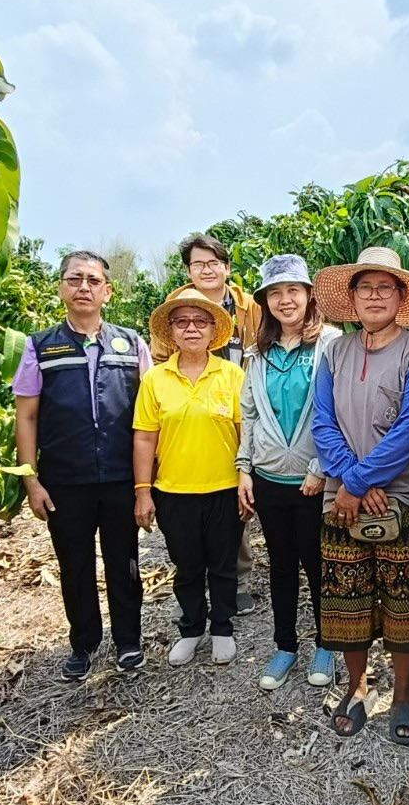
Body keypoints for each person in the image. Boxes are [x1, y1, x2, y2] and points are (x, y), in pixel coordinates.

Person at [311, 246, 409, 744]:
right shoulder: (334, 353)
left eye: (386, 287)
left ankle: (403, 693)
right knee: (346, 597)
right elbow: (322, 422)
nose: (375, 296)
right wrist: (348, 482)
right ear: (352, 297)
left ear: (401, 297)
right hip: (341, 499)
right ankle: (357, 684)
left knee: (405, 601)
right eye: (365, 287)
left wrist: (358, 483)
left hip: (399, 498)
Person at [13, 251, 150, 681]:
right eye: (75, 279)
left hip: (120, 477)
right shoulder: (40, 346)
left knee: (124, 562)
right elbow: (26, 416)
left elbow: (150, 413)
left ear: (108, 291)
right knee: (75, 566)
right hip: (65, 479)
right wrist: (31, 480)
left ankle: (128, 641)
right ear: (61, 288)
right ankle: (84, 643)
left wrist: (147, 482)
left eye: (93, 281)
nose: (84, 287)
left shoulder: (132, 343)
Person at [236, 255, 342, 691]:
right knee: (280, 566)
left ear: (309, 295)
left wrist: (322, 467)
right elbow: (249, 414)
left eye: (293, 290)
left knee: (318, 565)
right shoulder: (257, 354)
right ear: (265, 302)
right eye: (275, 293)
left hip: (314, 482)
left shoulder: (331, 344)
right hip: (269, 480)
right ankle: (285, 645)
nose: (285, 300)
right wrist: (244, 468)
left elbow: (339, 412)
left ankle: (326, 643)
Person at [133, 289, 246, 666]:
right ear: (172, 332)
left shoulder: (232, 374)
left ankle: (223, 628)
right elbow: (145, 437)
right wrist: (143, 491)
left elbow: (245, 432)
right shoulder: (155, 379)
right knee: (187, 566)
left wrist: (247, 479)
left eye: (200, 321)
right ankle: (192, 629)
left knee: (223, 565)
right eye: (182, 322)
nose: (192, 328)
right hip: (174, 491)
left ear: (213, 330)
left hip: (225, 489)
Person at [153, 234, 263, 615]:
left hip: (237, 406)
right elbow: (160, 359)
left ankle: (238, 580)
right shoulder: (175, 307)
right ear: (188, 271)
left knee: (234, 500)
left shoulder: (249, 307)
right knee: (193, 513)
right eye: (198, 264)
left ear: (227, 268)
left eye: (214, 263)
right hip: (190, 410)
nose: (207, 270)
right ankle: (194, 588)